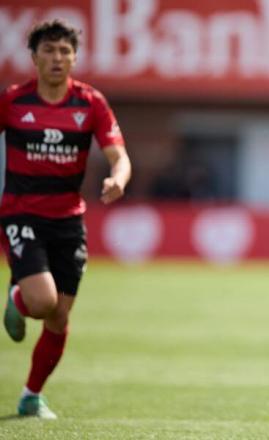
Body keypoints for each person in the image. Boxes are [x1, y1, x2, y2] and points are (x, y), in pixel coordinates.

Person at [0, 20, 131, 418]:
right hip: (21, 213)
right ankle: (19, 297)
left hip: (69, 220)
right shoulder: (13, 101)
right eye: (49, 50)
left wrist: (118, 180)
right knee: (42, 302)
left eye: (65, 51)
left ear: (74, 57)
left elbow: (118, 155)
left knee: (58, 317)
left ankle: (31, 395)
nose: (58, 58)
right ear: (34, 57)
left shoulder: (90, 103)